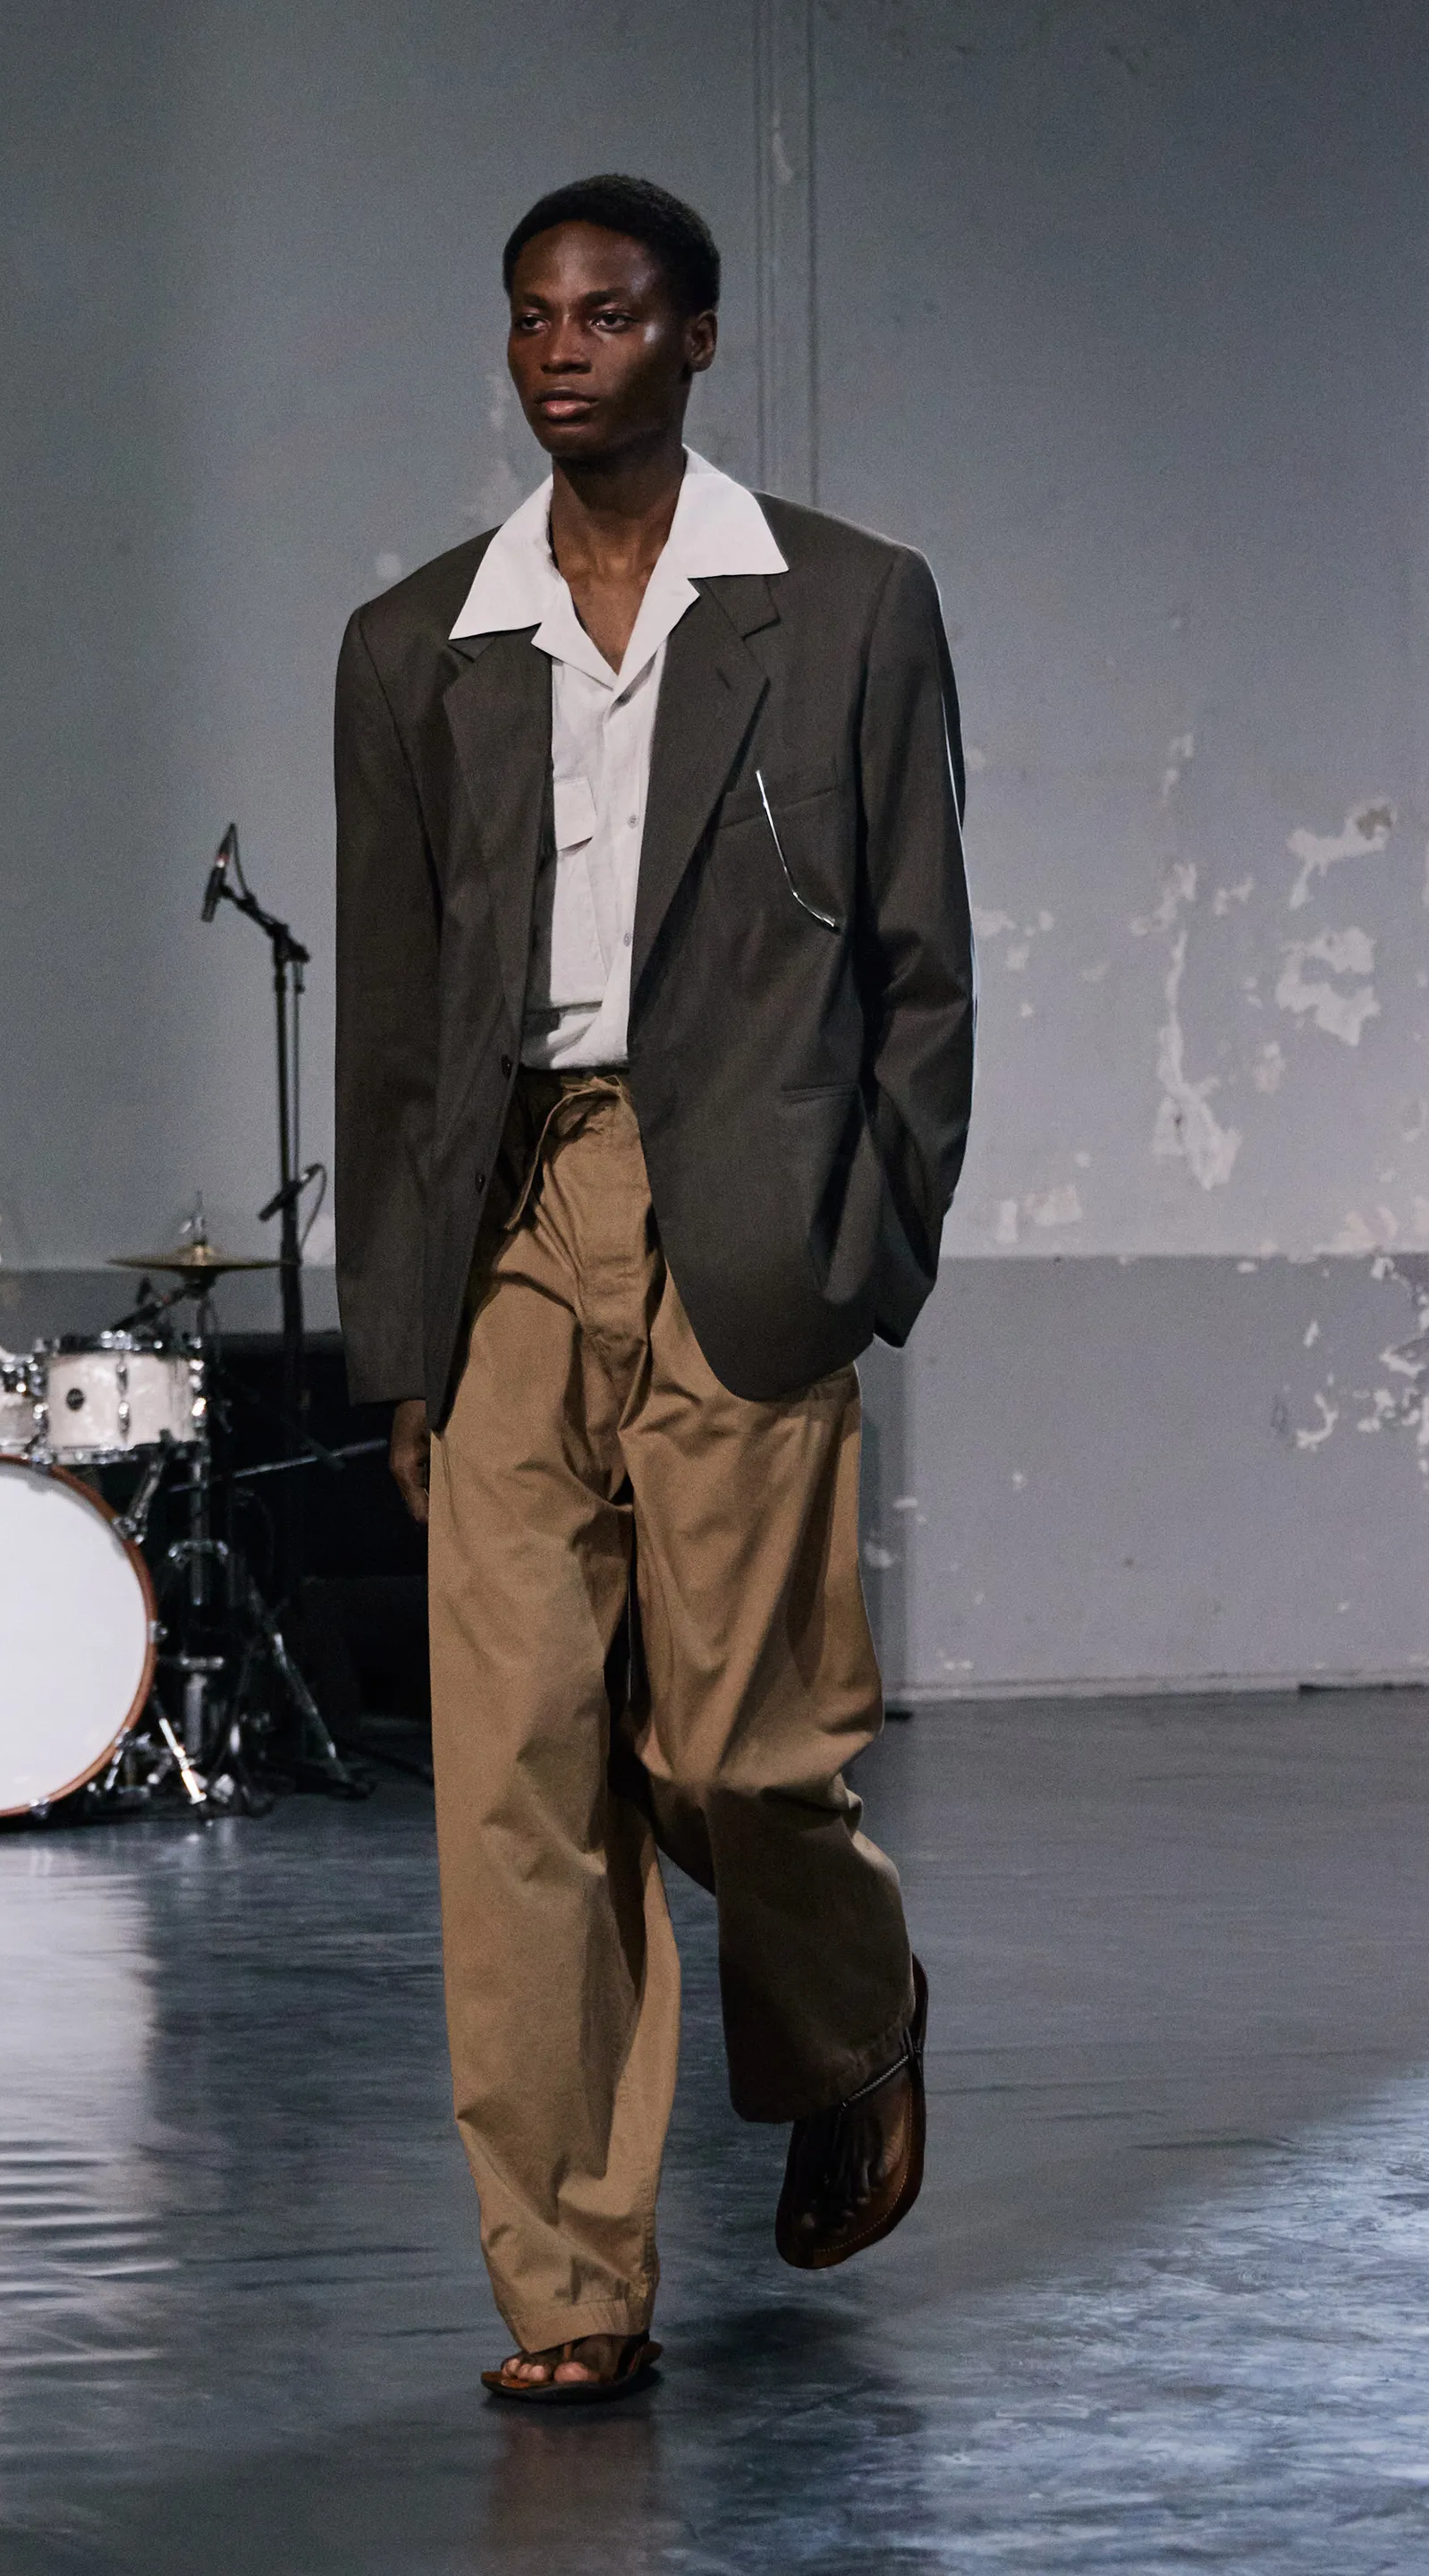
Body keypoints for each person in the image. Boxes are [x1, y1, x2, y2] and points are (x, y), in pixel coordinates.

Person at [334, 175, 972, 2402]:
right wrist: (403, 1340)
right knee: (514, 1778)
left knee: (736, 1755)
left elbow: (921, 968)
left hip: (750, 1221)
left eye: (607, 314)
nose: (561, 350)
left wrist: (859, 1248)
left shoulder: (848, 604)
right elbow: (394, 1020)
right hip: (510, 1217)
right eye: (532, 316)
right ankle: (571, 2288)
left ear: (696, 338)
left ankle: (854, 2010)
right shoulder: (418, 641)